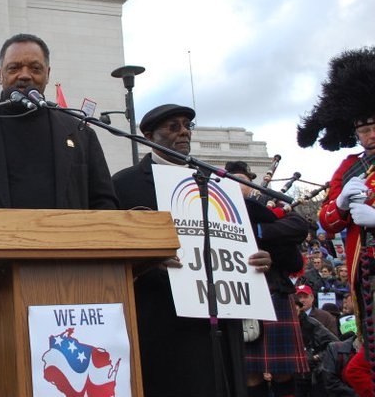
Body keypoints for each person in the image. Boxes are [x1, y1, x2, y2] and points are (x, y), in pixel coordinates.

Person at [0, 33, 118, 396]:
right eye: (15, 68)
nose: (24, 75)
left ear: (47, 74)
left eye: (34, 68)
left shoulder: (78, 132)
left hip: (72, 301)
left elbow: (104, 203)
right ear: (0, 75)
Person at [111, 104, 272, 397]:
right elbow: (111, 250)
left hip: (218, 324)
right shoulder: (124, 185)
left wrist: (257, 259)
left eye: (187, 125)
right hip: (159, 320)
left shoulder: (217, 183)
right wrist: (144, 265)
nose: (183, 131)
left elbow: (237, 239)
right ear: (149, 134)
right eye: (173, 126)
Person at [297, 46, 375, 385]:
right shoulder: (349, 166)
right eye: (363, 129)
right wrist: (341, 203)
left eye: (374, 127)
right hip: (366, 272)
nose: (369, 135)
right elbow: (326, 222)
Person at [225, 160, 311, 397]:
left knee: (283, 370)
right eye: (233, 179)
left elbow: (298, 225)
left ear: (252, 184)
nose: (240, 184)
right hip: (238, 295)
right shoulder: (217, 209)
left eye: (244, 180)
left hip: (274, 292)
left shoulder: (270, 206)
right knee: (250, 373)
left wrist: (258, 231)